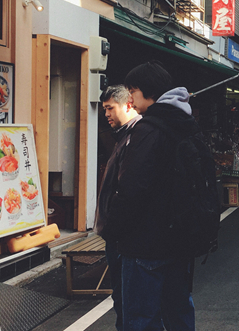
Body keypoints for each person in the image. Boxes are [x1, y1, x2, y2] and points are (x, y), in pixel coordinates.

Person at [100, 60, 204, 331]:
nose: (130, 99)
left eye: (132, 91)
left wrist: (113, 229)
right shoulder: (186, 124)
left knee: (141, 318)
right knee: (178, 311)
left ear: (146, 92)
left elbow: (132, 189)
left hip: (145, 243)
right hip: (180, 239)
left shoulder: (148, 130)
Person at [94, 85, 141, 331]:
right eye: (104, 110)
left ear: (128, 104)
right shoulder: (124, 136)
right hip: (118, 233)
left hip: (124, 235)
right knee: (123, 296)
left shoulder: (136, 137)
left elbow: (129, 190)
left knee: (127, 297)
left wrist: (112, 227)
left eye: (110, 108)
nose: (106, 115)